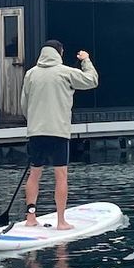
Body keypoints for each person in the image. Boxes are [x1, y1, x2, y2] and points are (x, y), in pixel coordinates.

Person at [21, 40, 98, 230]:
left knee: (34, 174)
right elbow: (92, 80)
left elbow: (24, 104)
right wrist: (86, 60)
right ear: (59, 53)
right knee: (61, 175)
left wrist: (33, 121)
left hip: (36, 131)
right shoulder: (65, 72)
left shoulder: (30, 74)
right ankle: (61, 221)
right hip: (58, 131)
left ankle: (31, 217)